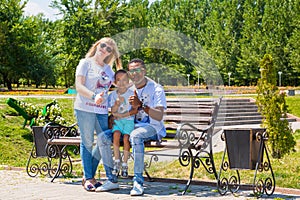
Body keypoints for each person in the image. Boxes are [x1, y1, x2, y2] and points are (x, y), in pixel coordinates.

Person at [97, 58, 167, 196]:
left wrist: (140, 105)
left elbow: (158, 116)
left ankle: (138, 182)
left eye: (138, 70)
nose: (135, 73)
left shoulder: (156, 89)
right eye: (132, 71)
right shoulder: (128, 90)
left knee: (136, 135)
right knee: (103, 137)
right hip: (130, 127)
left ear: (144, 71)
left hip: (152, 127)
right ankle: (112, 180)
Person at [74, 37, 122, 192]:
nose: (105, 50)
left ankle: (88, 174)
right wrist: (94, 97)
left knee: (103, 142)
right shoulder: (85, 63)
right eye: (103, 46)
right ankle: (89, 178)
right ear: (97, 45)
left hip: (101, 111)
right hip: (85, 108)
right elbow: (79, 86)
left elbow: (121, 83)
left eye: (109, 49)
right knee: (87, 142)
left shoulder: (109, 70)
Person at [108, 69, 135, 178]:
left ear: (128, 81)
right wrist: (116, 104)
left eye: (124, 80)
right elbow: (113, 111)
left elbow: (134, 109)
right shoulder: (113, 95)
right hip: (118, 121)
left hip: (128, 121)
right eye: (118, 80)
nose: (121, 82)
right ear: (114, 82)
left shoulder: (131, 94)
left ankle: (125, 163)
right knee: (116, 135)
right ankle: (117, 160)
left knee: (126, 138)